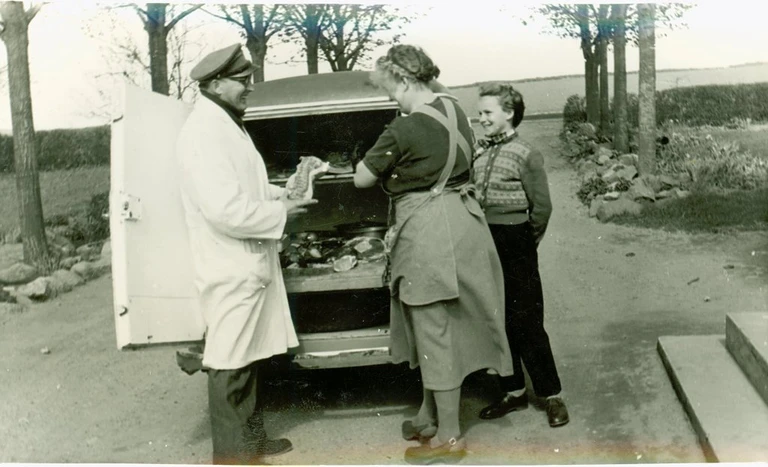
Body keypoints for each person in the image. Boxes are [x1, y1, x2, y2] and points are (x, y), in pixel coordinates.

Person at [354, 44, 514, 465]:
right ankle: (429, 414)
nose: (393, 101)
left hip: (427, 231)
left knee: (433, 331)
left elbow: (362, 179)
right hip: (463, 223)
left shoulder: (401, 130)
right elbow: (432, 86)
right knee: (437, 327)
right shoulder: (452, 106)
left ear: (406, 81)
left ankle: (449, 436)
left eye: (393, 92)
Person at [176, 43, 317, 465]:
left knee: (248, 357)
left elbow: (243, 191)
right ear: (216, 83)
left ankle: (252, 441)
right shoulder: (202, 133)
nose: (249, 88)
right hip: (229, 263)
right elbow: (224, 211)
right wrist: (282, 211)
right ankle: (234, 455)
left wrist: (282, 192)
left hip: (245, 261)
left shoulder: (224, 123)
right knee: (229, 360)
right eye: (242, 81)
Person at [472, 82, 569, 428]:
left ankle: (551, 395)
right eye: (479, 112)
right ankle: (512, 391)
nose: (480, 118)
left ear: (508, 113)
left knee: (527, 320)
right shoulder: (478, 152)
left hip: (516, 242)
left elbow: (541, 207)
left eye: (487, 112)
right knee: (496, 319)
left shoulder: (527, 153)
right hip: (484, 241)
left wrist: (526, 244)